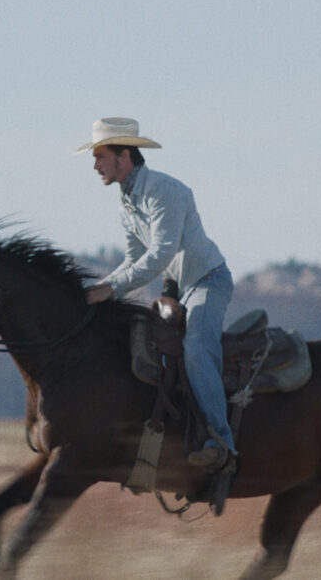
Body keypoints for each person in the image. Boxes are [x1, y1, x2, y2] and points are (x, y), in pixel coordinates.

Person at [77, 117, 234, 471]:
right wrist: (96, 290)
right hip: (178, 286)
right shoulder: (127, 204)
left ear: (125, 154)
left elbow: (160, 254)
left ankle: (221, 443)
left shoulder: (163, 190)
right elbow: (134, 259)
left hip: (208, 281)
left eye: (100, 155)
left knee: (195, 349)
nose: (95, 164)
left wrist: (109, 289)